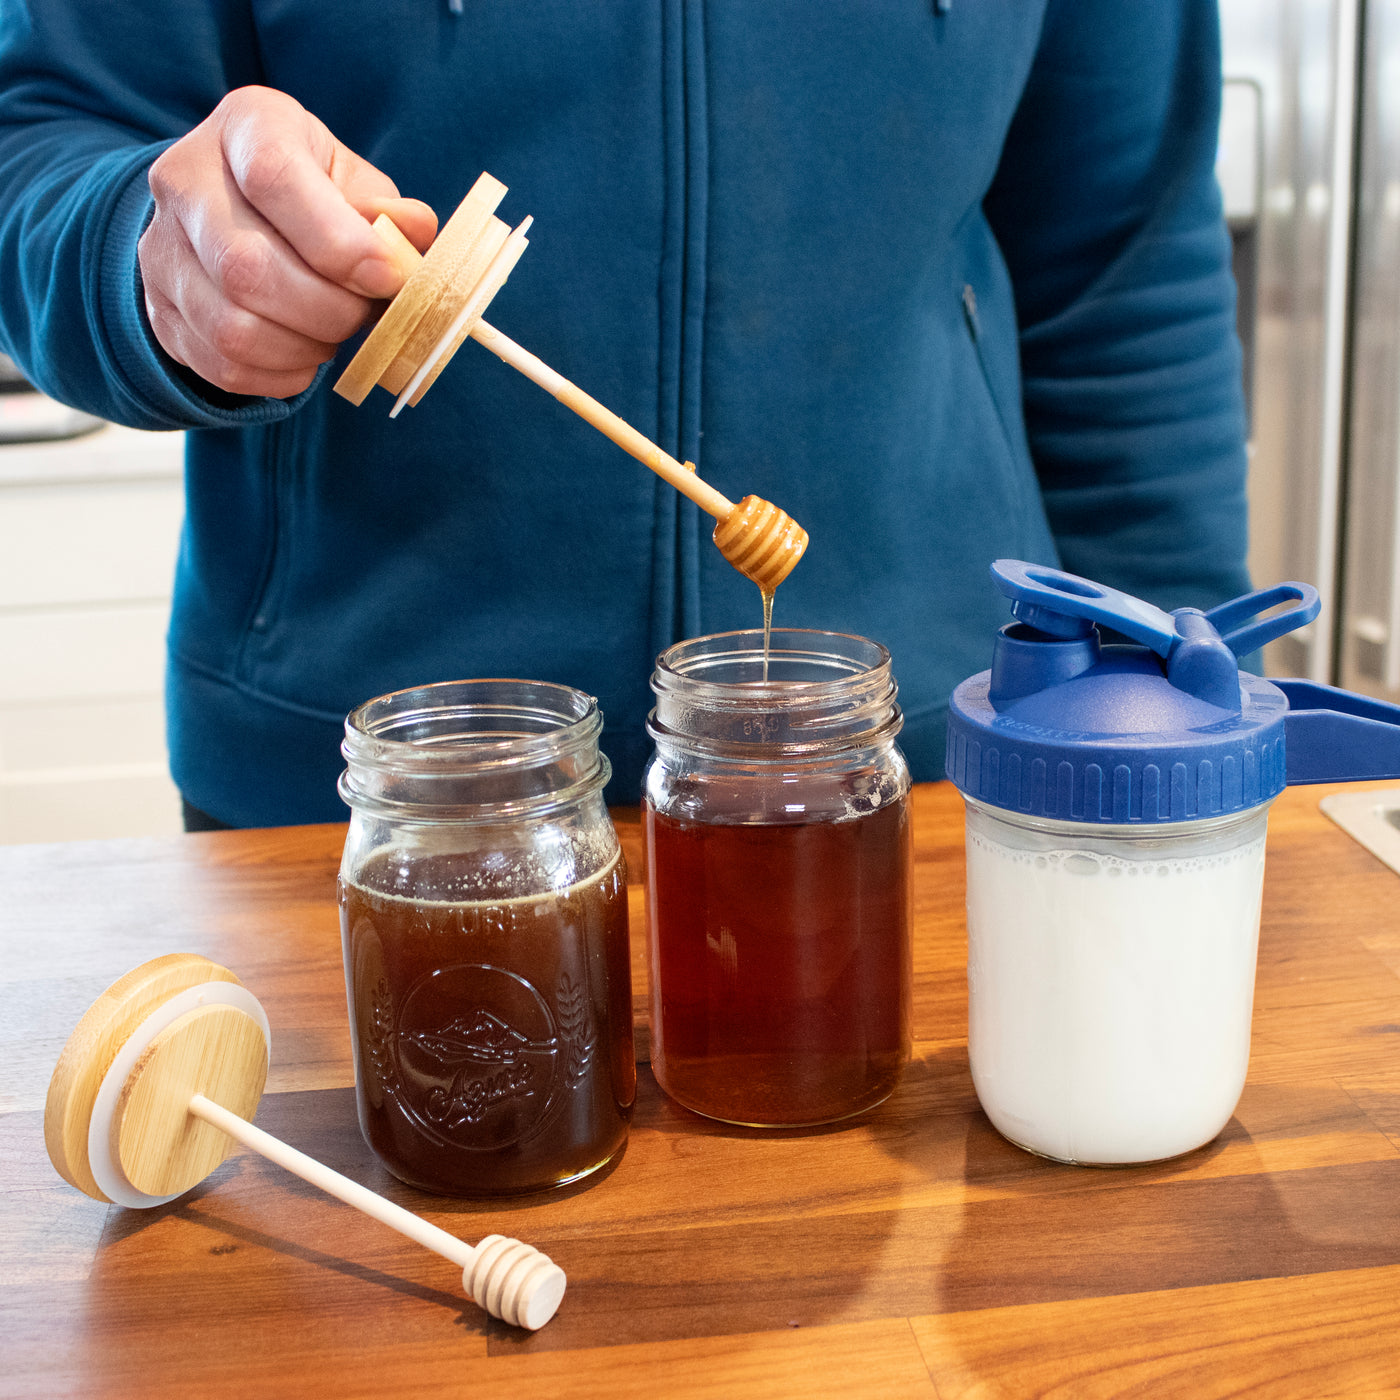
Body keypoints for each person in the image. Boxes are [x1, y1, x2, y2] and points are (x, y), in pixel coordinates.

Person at [0, 1, 1250, 828]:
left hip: (928, 782)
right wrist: (147, 256)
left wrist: (1177, 709)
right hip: (367, 801)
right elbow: (40, 144)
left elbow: (1121, 259)